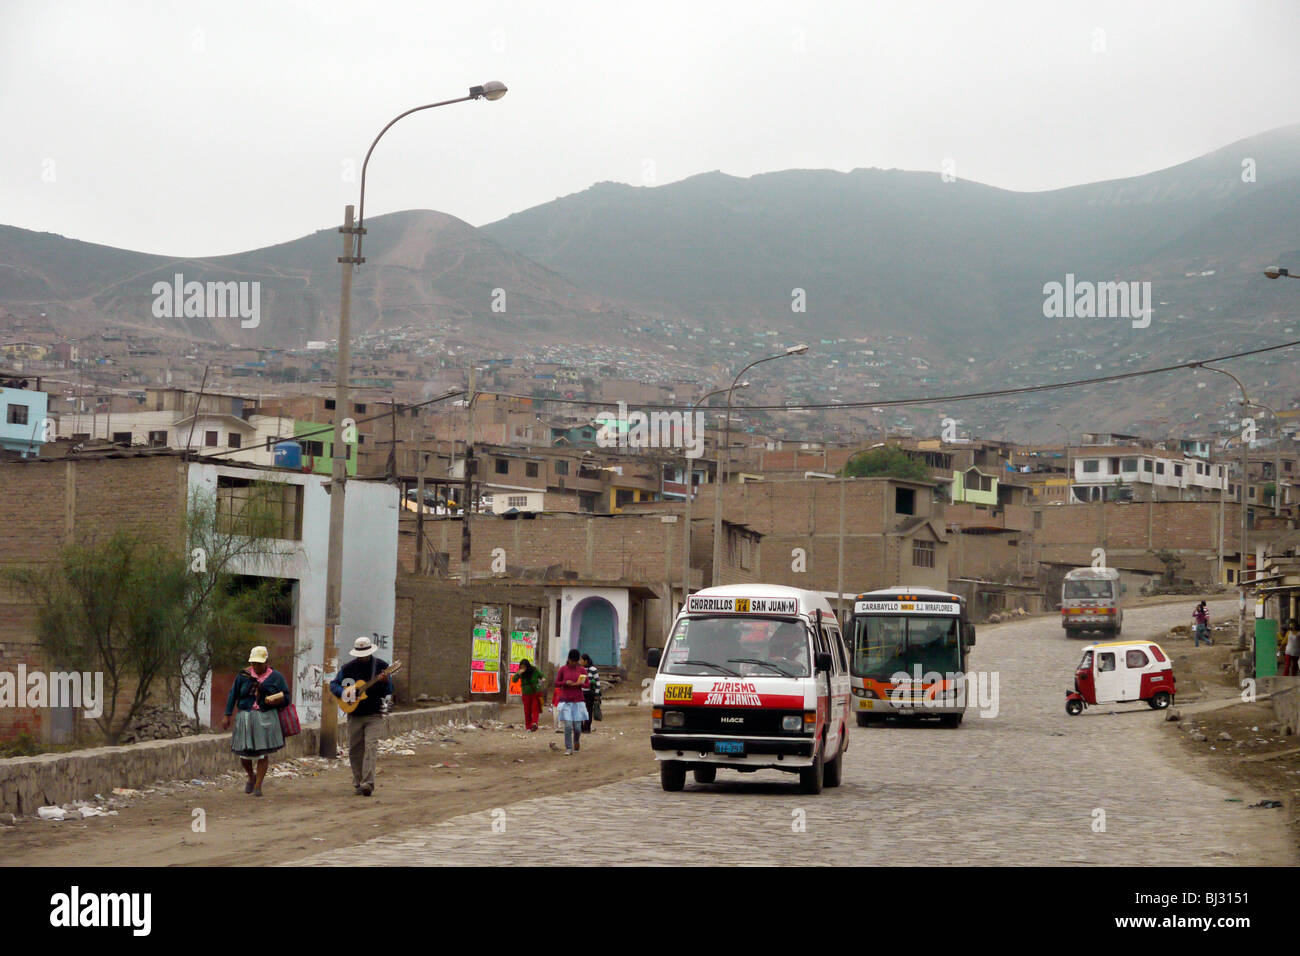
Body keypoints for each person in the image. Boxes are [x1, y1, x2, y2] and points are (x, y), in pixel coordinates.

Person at [221, 646, 290, 797]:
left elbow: (286, 697)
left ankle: (258, 785)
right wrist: (227, 714)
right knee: (244, 754)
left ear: (266, 662)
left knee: (262, 753)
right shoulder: (243, 676)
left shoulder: (276, 677)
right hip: (246, 716)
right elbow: (233, 695)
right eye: (253, 663)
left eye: (259, 663)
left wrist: (270, 695)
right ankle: (251, 776)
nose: (256, 666)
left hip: (265, 716)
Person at [329, 636, 394, 796]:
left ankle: (368, 783)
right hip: (354, 714)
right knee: (355, 749)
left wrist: (385, 681)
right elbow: (334, 685)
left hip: (374, 713)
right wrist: (345, 692)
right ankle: (358, 781)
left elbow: (389, 690)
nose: (363, 656)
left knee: (371, 748)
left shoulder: (381, 667)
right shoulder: (348, 669)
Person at [554, 649, 590, 755]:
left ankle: (576, 741)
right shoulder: (563, 669)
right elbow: (556, 683)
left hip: (578, 701)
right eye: (572, 661)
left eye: (576, 661)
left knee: (578, 727)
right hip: (566, 700)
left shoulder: (582, 670)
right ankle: (568, 748)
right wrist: (565, 683)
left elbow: (587, 684)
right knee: (568, 725)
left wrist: (580, 683)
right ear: (568, 659)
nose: (574, 663)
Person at [516, 658, 545, 731]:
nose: (523, 668)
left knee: (535, 709)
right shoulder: (521, 673)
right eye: (521, 667)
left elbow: (542, 675)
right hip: (525, 694)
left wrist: (542, 680)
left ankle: (534, 723)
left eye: (524, 667)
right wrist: (518, 673)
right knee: (527, 711)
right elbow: (514, 680)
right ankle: (528, 726)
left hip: (535, 693)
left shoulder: (534, 670)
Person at [580, 653, 600, 732]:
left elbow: (597, 682)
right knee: (580, 710)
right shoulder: (580, 669)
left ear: (586, 661)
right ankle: (581, 727)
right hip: (581, 693)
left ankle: (587, 728)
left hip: (590, 693)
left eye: (581, 660)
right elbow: (580, 682)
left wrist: (596, 693)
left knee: (589, 710)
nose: (580, 661)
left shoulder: (593, 669)